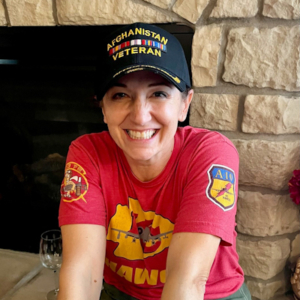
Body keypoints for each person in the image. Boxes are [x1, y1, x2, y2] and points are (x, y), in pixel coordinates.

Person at [58, 22, 251, 300]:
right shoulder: (87, 153)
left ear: (185, 104)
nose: (139, 115)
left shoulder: (210, 153)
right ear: (103, 108)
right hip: (123, 293)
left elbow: (189, 280)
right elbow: (82, 272)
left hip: (209, 294)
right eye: (120, 95)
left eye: (158, 93)